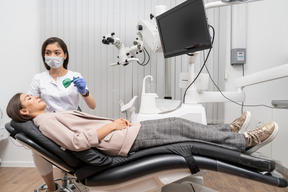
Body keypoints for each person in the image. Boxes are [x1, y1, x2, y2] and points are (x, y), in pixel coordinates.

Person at [7, 93, 279, 158]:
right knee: (180, 127)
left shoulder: (47, 116)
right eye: (29, 98)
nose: (35, 97)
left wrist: (115, 125)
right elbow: (76, 143)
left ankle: (227, 131)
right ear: (24, 111)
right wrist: (113, 126)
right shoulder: (43, 120)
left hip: (122, 136)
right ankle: (243, 141)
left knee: (180, 125)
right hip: (121, 140)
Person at [27, 37, 96, 192]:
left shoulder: (75, 76)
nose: (52, 56)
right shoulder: (39, 79)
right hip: (49, 125)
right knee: (36, 148)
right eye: (48, 53)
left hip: (72, 123)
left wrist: (84, 91)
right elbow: (30, 106)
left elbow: (92, 105)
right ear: (43, 56)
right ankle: (52, 187)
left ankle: (87, 182)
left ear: (64, 55)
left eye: (57, 52)